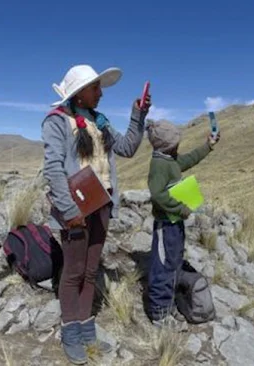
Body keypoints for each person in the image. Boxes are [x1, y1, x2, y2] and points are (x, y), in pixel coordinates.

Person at [41, 64, 151, 364]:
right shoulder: (57, 122)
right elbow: (53, 169)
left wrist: (137, 115)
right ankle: (70, 330)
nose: (100, 93)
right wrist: (68, 209)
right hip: (75, 208)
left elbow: (128, 148)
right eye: (95, 88)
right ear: (79, 94)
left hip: (100, 205)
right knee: (74, 270)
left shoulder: (100, 123)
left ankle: (86, 328)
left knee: (90, 270)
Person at [145, 120, 220, 327]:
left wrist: (208, 146)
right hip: (165, 224)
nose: (179, 146)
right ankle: (159, 314)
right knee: (163, 267)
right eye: (176, 143)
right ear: (167, 145)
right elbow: (157, 194)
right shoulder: (159, 164)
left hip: (175, 224)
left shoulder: (168, 159)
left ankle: (169, 305)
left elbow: (188, 160)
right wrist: (181, 208)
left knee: (174, 263)